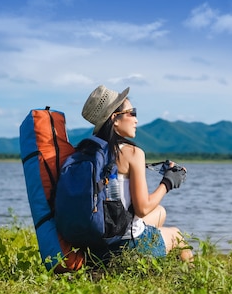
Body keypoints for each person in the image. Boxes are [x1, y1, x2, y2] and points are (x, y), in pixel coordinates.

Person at [81, 84, 194, 262]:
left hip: (95, 247)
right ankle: (188, 280)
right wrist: (168, 182)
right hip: (127, 246)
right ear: (115, 119)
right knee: (177, 235)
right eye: (132, 113)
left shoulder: (86, 152)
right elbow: (142, 209)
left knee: (160, 212)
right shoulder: (133, 153)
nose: (136, 120)